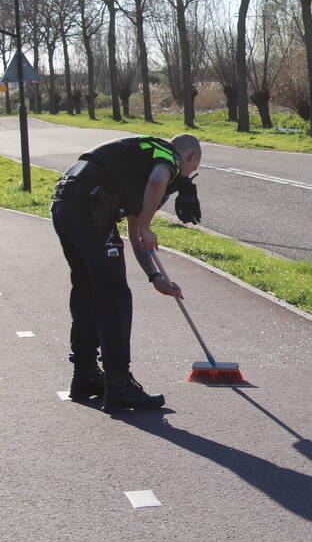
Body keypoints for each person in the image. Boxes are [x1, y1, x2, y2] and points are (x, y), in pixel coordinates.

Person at [51, 134, 203, 412]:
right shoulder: (167, 155)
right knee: (115, 294)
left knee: (87, 288)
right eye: (191, 169)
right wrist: (146, 225)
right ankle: (119, 384)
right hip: (89, 205)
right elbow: (156, 184)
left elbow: (135, 236)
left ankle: (85, 375)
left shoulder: (138, 161)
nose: (185, 177)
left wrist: (155, 277)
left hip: (66, 202)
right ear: (190, 157)